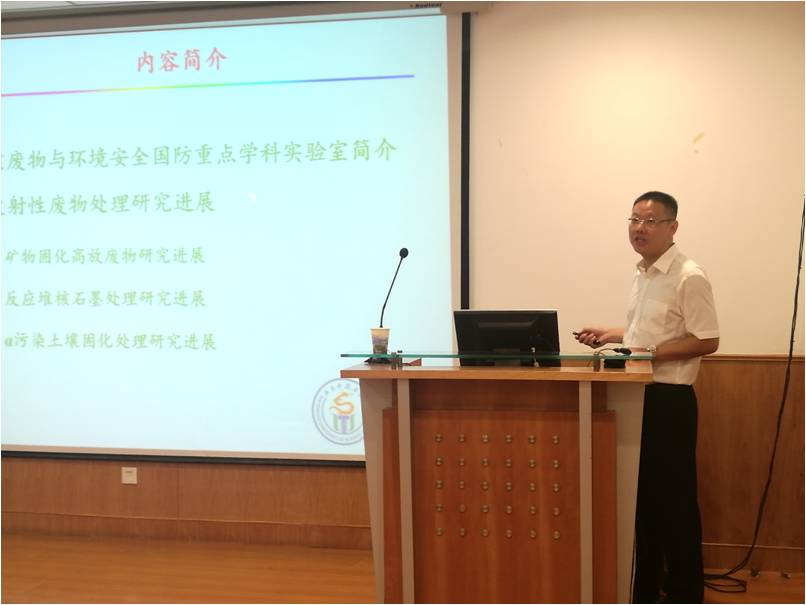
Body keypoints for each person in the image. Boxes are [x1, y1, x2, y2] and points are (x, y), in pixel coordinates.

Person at [575, 191, 719, 603]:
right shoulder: (643, 273)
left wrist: (648, 352)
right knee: (645, 503)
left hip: (670, 401)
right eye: (634, 219)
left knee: (675, 503)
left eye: (650, 221)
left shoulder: (689, 276)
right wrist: (611, 334)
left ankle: (685, 592)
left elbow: (707, 340)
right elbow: (649, 332)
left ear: (673, 227)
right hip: (638, 397)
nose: (639, 228)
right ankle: (644, 590)